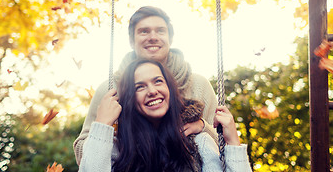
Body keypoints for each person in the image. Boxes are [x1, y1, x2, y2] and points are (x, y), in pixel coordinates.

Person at [74, 6, 219, 165]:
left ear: (170, 39)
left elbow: (223, 147)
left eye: (160, 31)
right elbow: (83, 155)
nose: (153, 37)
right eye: (144, 31)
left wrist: (203, 127)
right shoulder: (111, 89)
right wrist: (107, 132)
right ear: (131, 40)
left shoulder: (198, 85)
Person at [79, 59, 252, 172]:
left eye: (158, 81)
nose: (152, 91)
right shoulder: (118, 148)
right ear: (130, 98)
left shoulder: (198, 143)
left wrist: (233, 143)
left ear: (170, 89)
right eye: (140, 87)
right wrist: (102, 125)